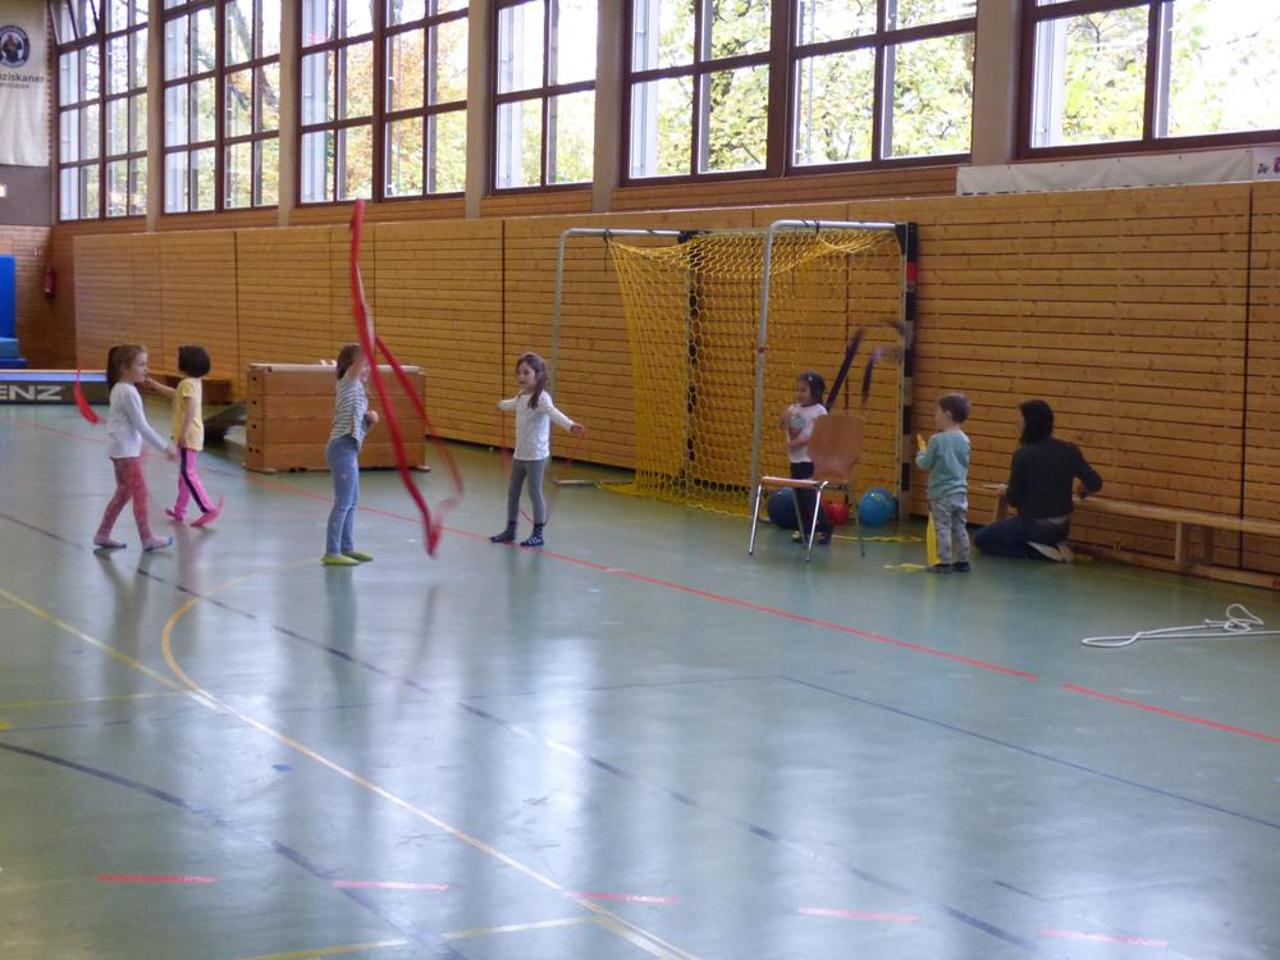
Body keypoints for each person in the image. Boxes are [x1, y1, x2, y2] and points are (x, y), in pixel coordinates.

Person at [974, 399, 1103, 561]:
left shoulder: (1023, 455)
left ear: (1030, 423)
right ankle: (1049, 546)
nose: (1016, 422)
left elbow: (1014, 500)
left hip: (1034, 526)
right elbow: (1095, 483)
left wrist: (1007, 490)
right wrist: (1082, 490)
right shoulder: (1069, 450)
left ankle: (1037, 552)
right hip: (1062, 527)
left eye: (1020, 418)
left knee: (982, 539)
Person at [491, 352, 585, 548]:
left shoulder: (542, 398)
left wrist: (570, 425)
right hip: (520, 454)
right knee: (513, 492)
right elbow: (514, 404)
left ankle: (538, 533)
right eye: (519, 373)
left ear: (538, 374)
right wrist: (501, 405)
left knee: (534, 492)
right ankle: (510, 529)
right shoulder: (521, 395)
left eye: (526, 372)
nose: (521, 376)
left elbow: (553, 413)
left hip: (536, 456)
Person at [94, 344, 177, 551]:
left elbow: (128, 426)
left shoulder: (119, 388)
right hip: (125, 453)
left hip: (119, 451)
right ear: (125, 367)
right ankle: (147, 538)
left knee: (123, 493)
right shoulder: (128, 392)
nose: (146, 369)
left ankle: (102, 533)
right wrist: (165, 447)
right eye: (141, 364)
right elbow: (142, 426)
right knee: (139, 494)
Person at [147, 345, 223, 527]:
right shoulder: (192, 382)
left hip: (189, 436)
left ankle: (208, 508)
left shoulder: (188, 383)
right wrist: (154, 384)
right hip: (191, 434)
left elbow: (190, 410)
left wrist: (182, 434)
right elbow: (175, 395)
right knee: (184, 476)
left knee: (188, 474)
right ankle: (179, 510)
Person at [322, 344, 379, 566]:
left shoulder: (360, 394)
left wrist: (369, 422)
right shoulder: (348, 383)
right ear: (350, 366)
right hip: (341, 448)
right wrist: (368, 335)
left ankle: (347, 547)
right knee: (343, 502)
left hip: (350, 449)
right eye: (363, 365)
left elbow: (359, 432)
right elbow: (360, 360)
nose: (367, 369)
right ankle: (332, 551)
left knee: (352, 501)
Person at [915, 392, 971, 573]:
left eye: (937, 412)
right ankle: (963, 560)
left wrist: (921, 453)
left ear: (947, 414)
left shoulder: (937, 440)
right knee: (960, 527)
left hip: (941, 494)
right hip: (960, 492)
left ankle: (944, 562)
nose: (935, 416)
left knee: (943, 527)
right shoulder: (964, 439)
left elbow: (925, 463)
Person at [781, 370, 832, 545]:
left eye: (803, 390)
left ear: (815, 392)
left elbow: (814, 434)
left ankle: (823, 528)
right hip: (796, 460)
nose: (799, 394)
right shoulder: (797, 410)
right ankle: (804, 529)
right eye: (797, 390)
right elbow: (795, 433)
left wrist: (798, 443)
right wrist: (787, 419)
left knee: (809, 496)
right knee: (799, 497)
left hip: (810, 461)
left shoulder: (819, 411)